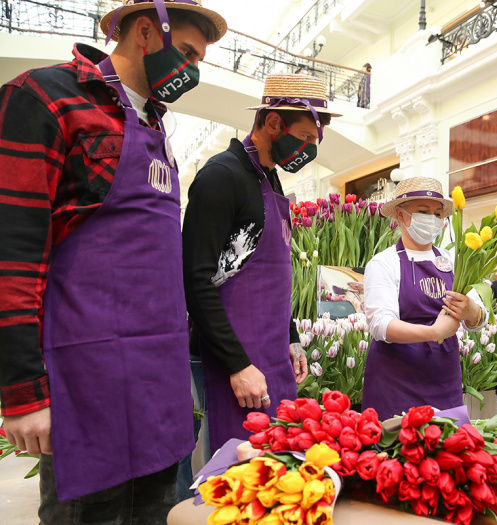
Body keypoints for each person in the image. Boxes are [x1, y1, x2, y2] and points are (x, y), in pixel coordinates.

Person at [0, 0, 226, 521]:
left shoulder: (155, 127)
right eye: (187, 54)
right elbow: (14, 251)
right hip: (86, 381)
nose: (192, 70)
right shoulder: (46, 97)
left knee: (157, 514)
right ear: (146, 32)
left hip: (158, 384)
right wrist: (23, 391)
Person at [183, 73, 339, 452]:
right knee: (238, 473)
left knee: (276, 466)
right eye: (304, 139)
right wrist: (237, 364)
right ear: (272, 123)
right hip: (230, 360)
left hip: (271, 355)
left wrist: (291, 338)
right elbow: (196, 279)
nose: (307, 151)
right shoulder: (222, 177)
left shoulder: (269, 179)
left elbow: (272, 274)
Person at [362, 177, 488, 420]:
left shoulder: (453, 261)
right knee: (397, 453)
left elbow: (479, 319)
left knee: (449, 451)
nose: (432, 219)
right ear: (401, 215)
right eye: (423, 211)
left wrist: (471, 310)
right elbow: (380, 325)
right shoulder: (383, 262)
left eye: (438, 213)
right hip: (396, 382)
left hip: (444, 380)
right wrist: (434, 333)